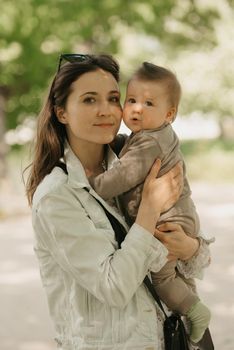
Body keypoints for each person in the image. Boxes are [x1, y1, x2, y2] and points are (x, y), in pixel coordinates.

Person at [26, 54, 212, 350]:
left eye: (114, 98)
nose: (106, 110)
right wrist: (149, 210)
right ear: (61, 112)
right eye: (89, 100)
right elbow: (113, 287)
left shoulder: (134, 160)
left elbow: (190, 255)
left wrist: (190, 247)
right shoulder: (57, 196)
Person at [89, 62, 211, 343]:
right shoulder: (148, 136)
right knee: (174, 274)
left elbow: (121, 176)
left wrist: (93, 185)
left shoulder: (150, 143)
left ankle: (195, 310)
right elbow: (129, 146)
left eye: (148, 103)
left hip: (170, 222)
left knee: (163, 277)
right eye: (131, 100)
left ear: (169, 114)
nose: (136, 108)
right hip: (177, 215)